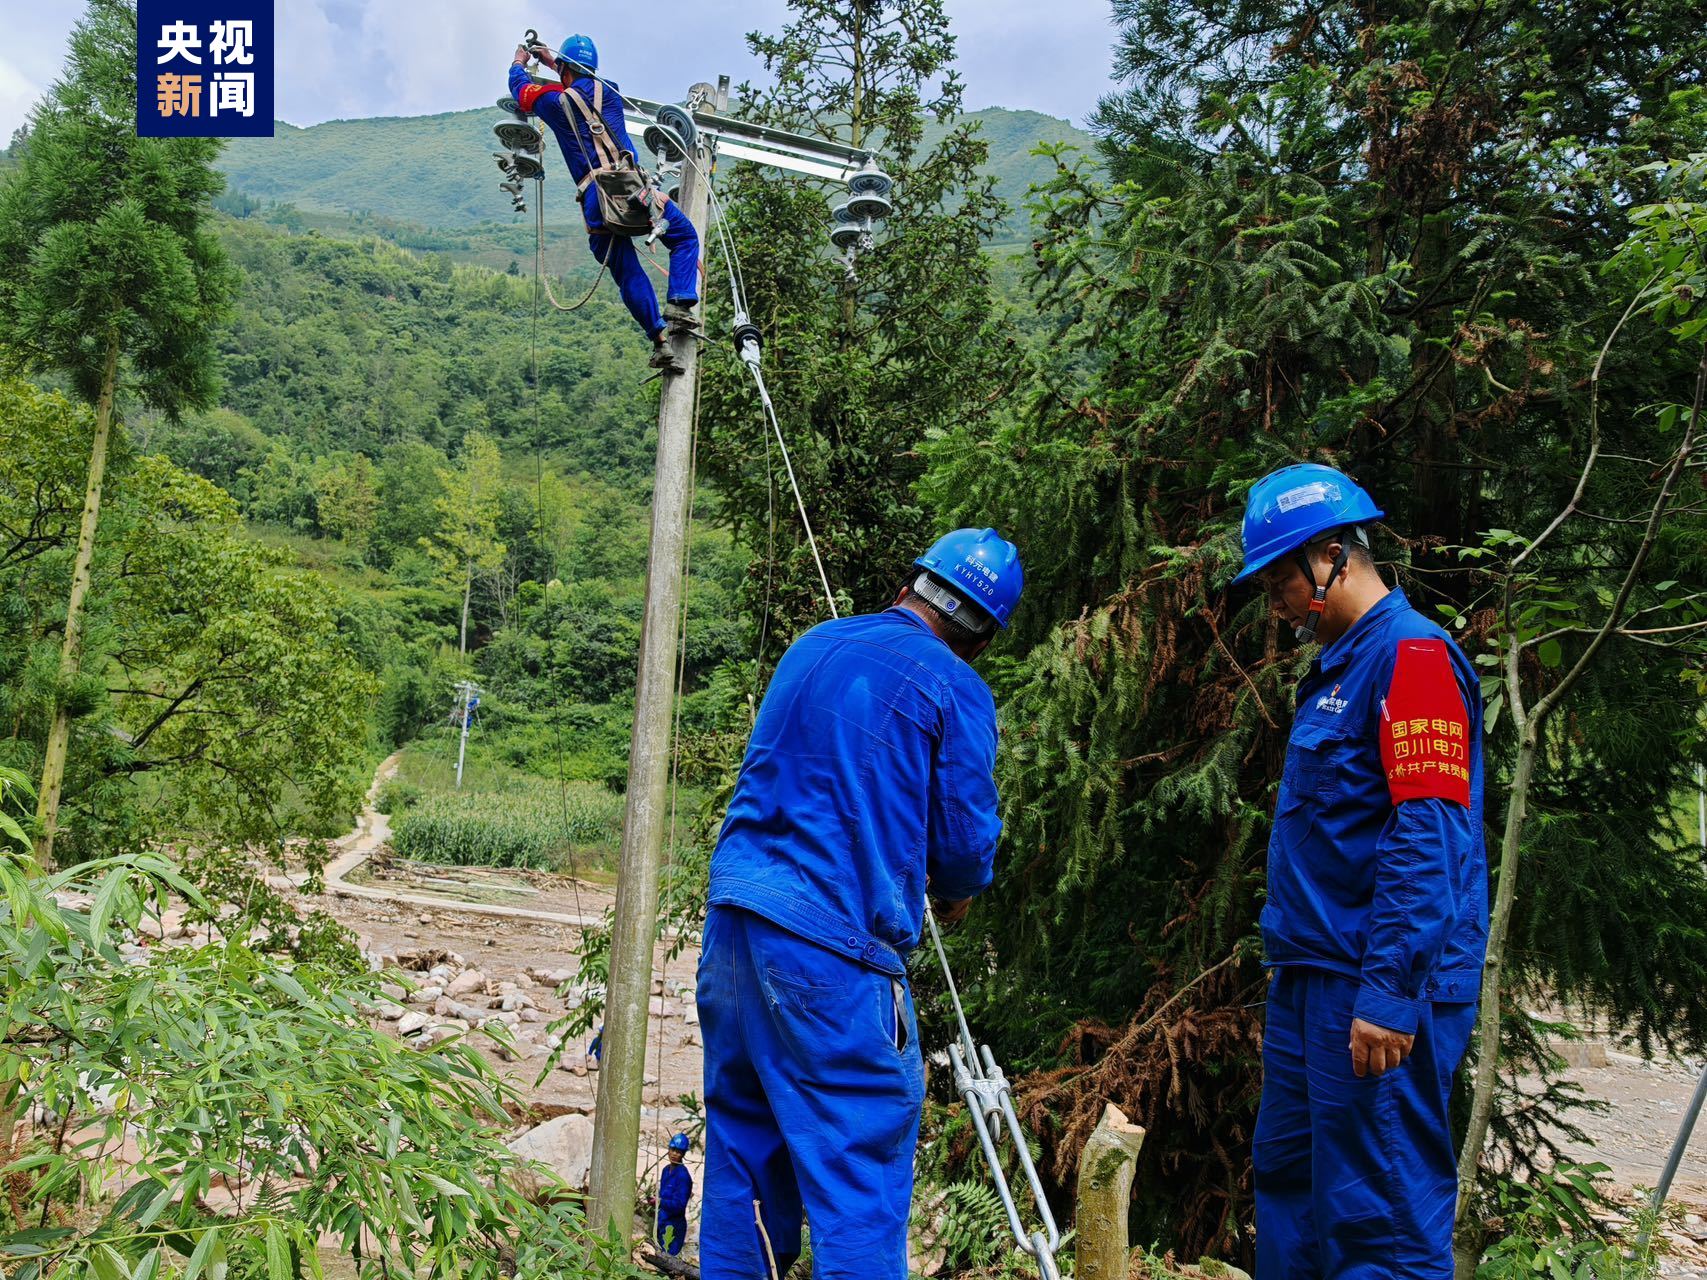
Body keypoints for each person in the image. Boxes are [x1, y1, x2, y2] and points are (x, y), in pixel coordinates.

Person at [696, 528, 1024, 1280]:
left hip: (735, 933)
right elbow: (966, 844)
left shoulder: (813, 644)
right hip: (829, 957)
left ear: (912, 584)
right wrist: (957, 895)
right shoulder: (954, 684)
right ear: (982, 634)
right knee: (857, 1176)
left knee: (744, 1155)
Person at [1234, 463, 1488, 1279]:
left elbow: (1427, 833)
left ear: (1332, 557)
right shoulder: (1337, 670)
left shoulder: (1410, 657)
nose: (1271, 601)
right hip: (1310, 976)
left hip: (1374, 987)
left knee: (1377, 1220)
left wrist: (1388, 992)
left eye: (1277, 578)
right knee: (1292, 1195)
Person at [508, 34, 700, 372]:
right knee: (684, 237)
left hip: (598, 200)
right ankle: (681, 304)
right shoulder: (610, 91)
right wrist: (556, 62)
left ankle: (659, 340)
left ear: (564, 68)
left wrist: (520, 62)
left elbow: (521, 92)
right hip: (637, 190)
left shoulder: (554, 101)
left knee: (627, 271)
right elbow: (583, 82)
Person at [656, 1133, 694, 1257]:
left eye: (678, 1152)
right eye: (672, 1150)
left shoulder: (683, 1176)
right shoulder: (665, 1170)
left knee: (669, 1261)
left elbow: (679, 1205)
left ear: (683, 1154)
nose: (674, 1154)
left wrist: (660, 1202)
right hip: (662, 1222)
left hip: (674, 1226)